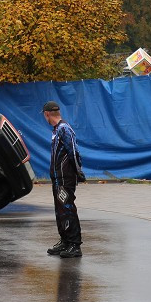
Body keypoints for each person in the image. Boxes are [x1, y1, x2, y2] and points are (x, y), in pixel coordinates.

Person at [43, 100, 85, 258]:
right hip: (57, 178)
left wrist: (78, 171)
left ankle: (75, 244)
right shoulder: (56, 130)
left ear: (47, 114)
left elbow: (73, 151)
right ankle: (65, 240)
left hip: (65, 178)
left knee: (67, 208)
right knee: (60, 210)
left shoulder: (64, 129)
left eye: (44, 116)